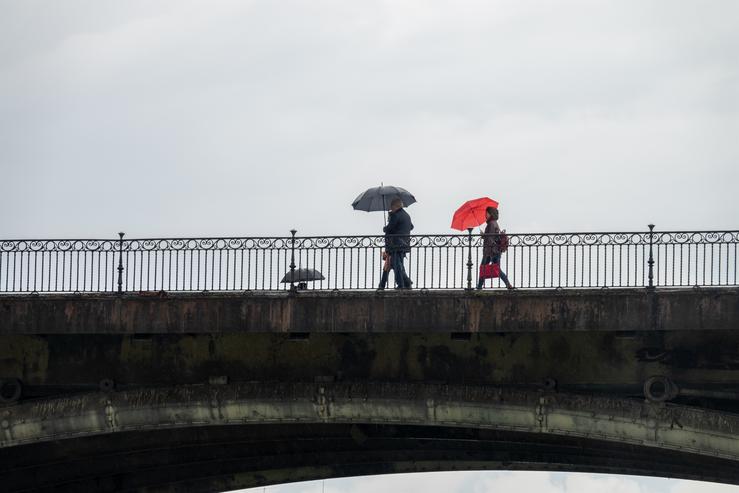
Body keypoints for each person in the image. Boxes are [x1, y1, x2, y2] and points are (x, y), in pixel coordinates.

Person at [378, 198, 413, 290]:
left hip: (395, 244)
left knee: (397, 265)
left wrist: (385, 228)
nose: (391, 209)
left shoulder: (395, 215)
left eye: (392, 207)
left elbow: (389, 228)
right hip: (404, 243)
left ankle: (401, 285)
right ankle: (406, 282)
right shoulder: (407, 215)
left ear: (396, 206)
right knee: (397, 264)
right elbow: (411, 226)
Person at [477, 206, 514, 290]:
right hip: (495, 250)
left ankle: (479, 287)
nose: (485, 215)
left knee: (483, 269)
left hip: (490, 251)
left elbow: (490, 239)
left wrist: (484, 236)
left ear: (490, 214)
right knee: (496, 269)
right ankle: (508, 284)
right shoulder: (495, 223)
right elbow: (492, 237)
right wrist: (484, 236)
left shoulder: (490, 224)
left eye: (486, 213)